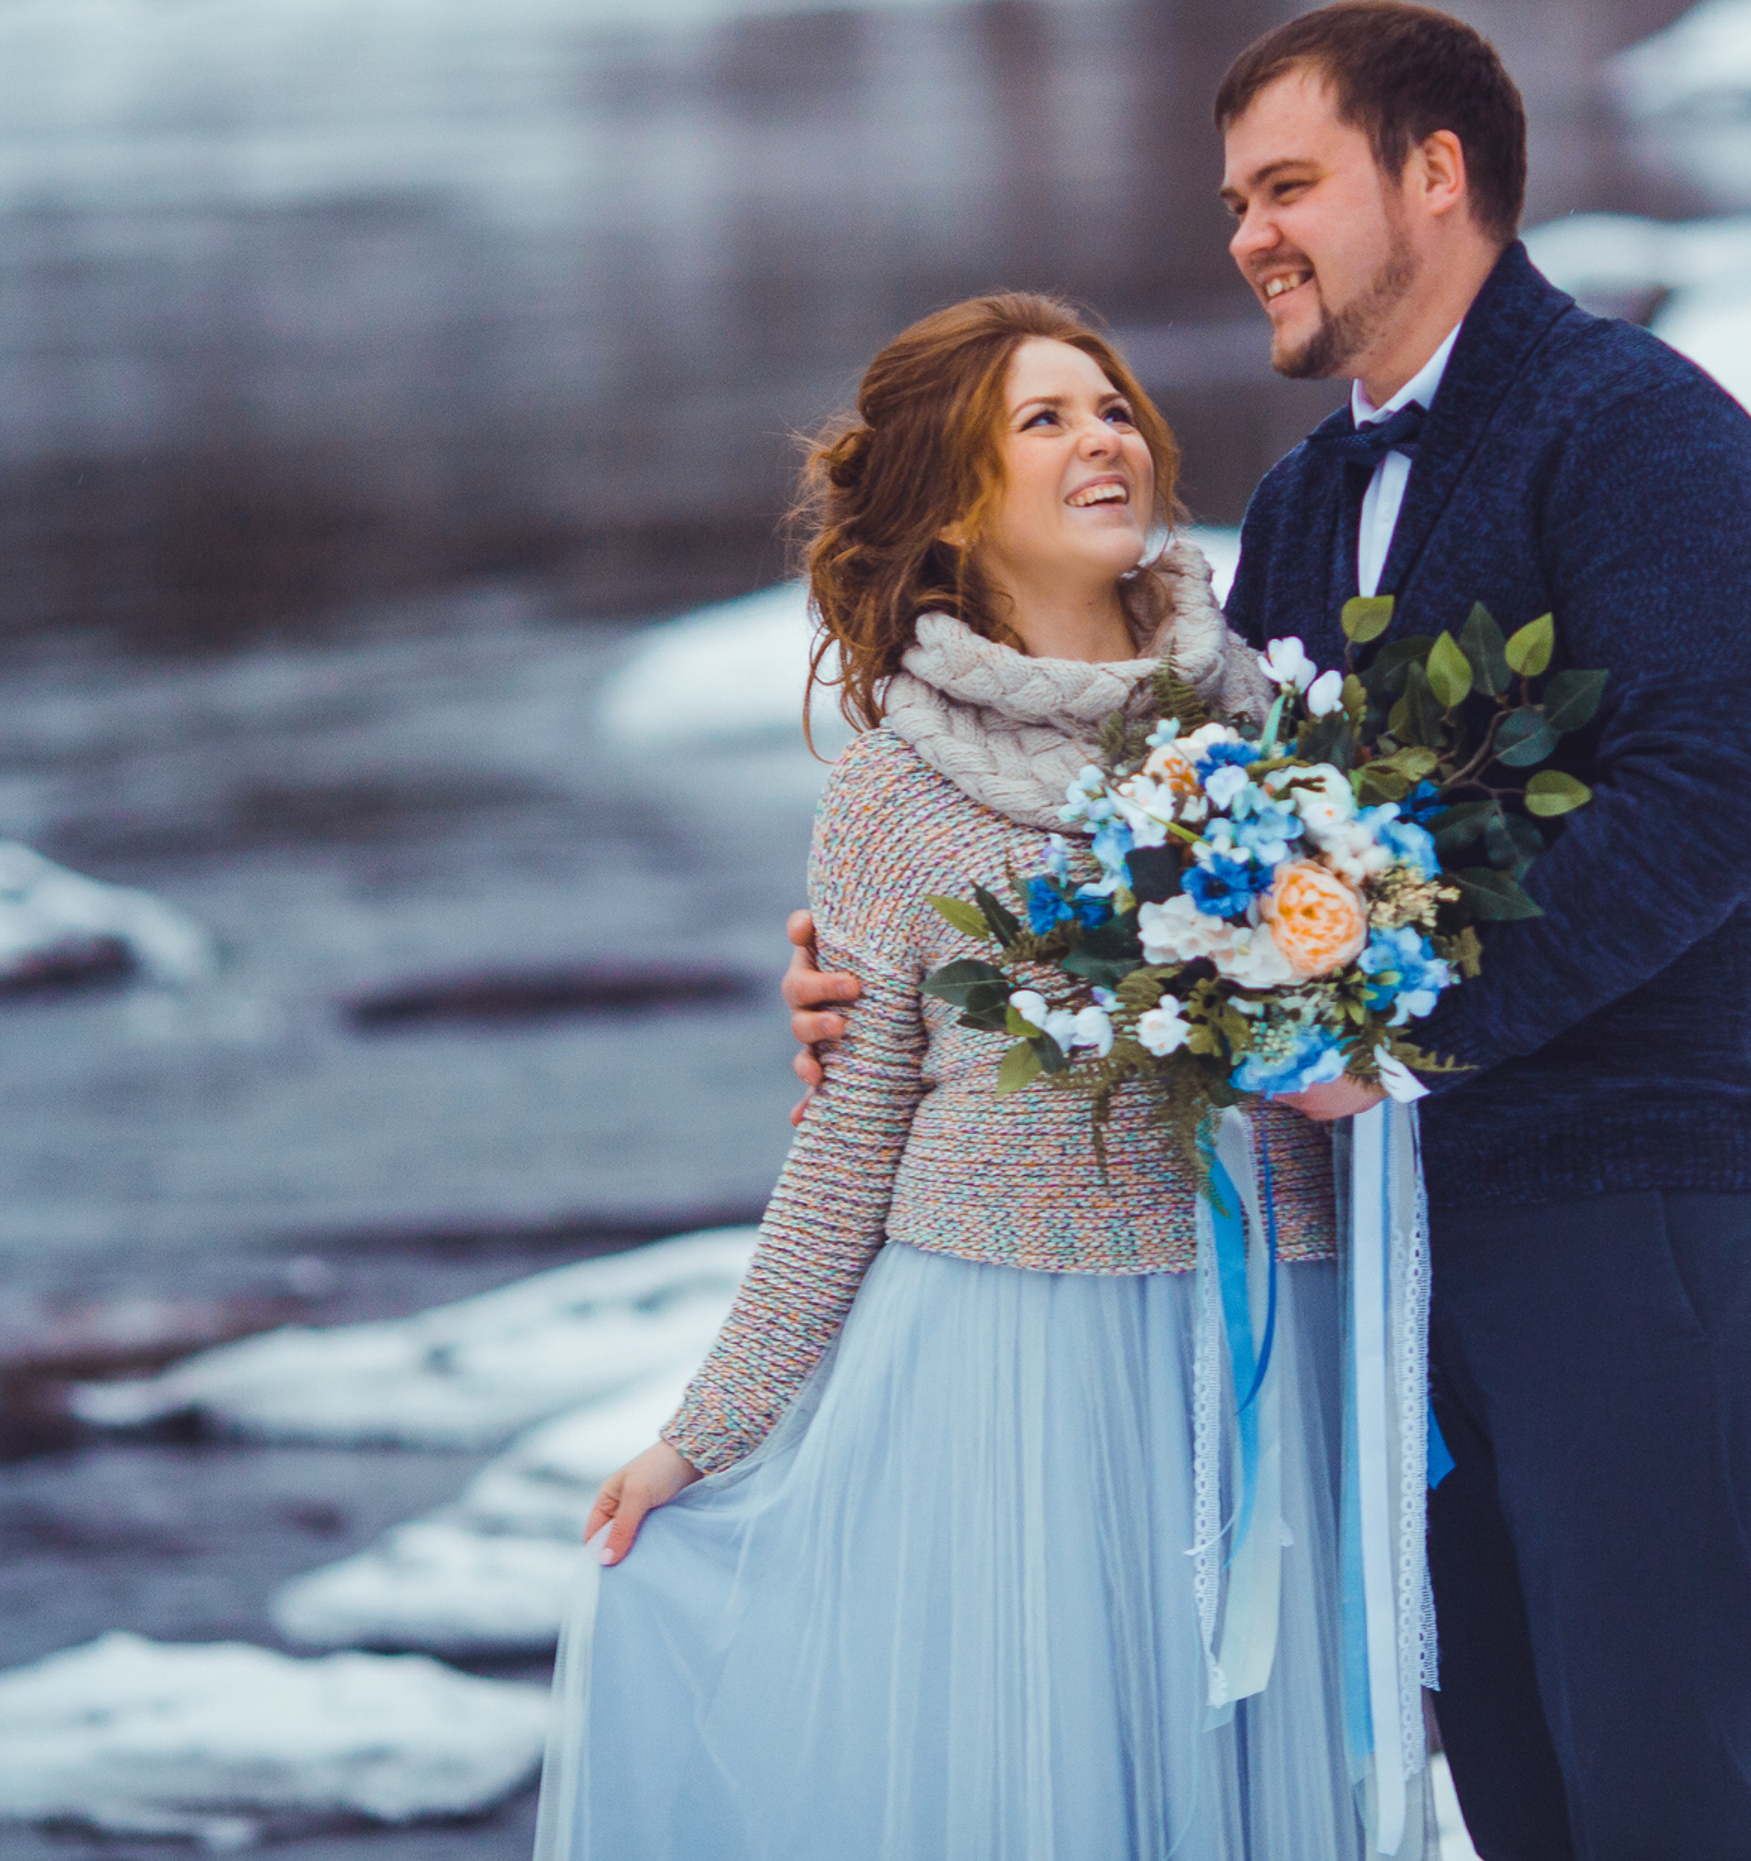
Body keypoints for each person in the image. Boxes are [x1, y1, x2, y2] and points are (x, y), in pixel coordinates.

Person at [787, 2, 1751, 1861]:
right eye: (1236, 199)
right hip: (1402, 1224)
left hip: (1642, 1170)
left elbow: (1715, 796)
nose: (1250, 233)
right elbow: (1187, 855)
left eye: (1290, 186)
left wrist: (1409, 1033)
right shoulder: (1302, 504)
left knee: (1647, 1758)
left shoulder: (1637, 429)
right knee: (1504, 1754)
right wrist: (897, 986)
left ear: (1436, 178)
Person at [543, 292, 1386, 1861]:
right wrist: (703, 1434)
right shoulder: (893, 790)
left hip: (1273, 1329)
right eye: (1045, 421)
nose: (1104, 441)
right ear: (951, 505)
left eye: (1114, 406)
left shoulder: (1267, 719)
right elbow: (852, 1135)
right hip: (1016, 1370)